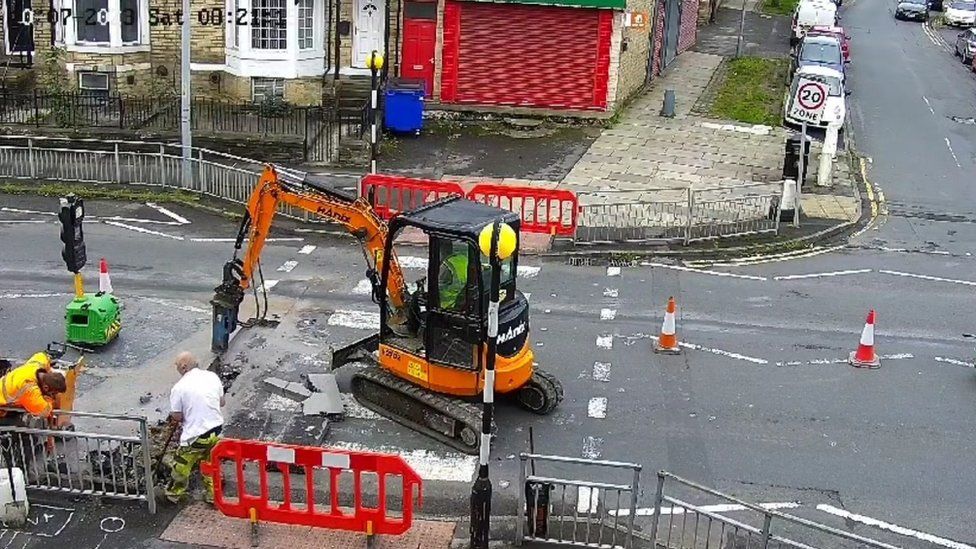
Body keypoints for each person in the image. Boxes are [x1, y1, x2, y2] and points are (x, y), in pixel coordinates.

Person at [163, 352, 225, 505]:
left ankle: (174, 493)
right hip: (216, 430)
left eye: (177, 366)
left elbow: (177, 416)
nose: (177, 369)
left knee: (181, 466)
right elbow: (221, 402)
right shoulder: (212, 377)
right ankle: (212, 495)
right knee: (209, 462)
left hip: (196, 434)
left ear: (183, 367)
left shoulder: (179, 387)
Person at [0, 352, 67, 422]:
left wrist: (50, 369)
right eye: (53, 393)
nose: (53, 395)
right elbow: (44, 411)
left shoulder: (36, 365)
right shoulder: (29, 389)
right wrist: (50, 399)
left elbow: (42, 355)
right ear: (46, 387)